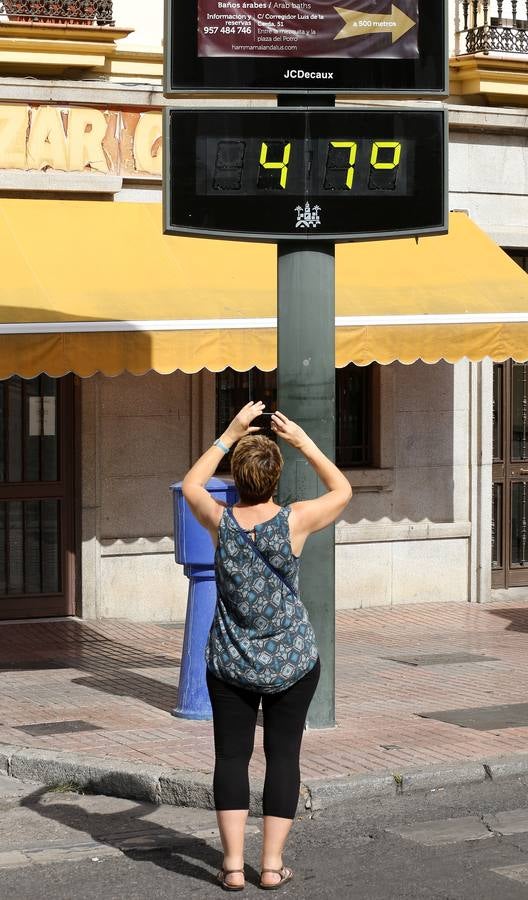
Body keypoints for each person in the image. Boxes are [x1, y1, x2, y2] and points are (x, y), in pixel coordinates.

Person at [182, 401, 352, 891]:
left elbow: (191, 484)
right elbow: (343, 489)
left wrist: (229, 433)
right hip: (293, 662)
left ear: (236, 476)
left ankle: (233, 865)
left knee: (231, 759)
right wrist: (302, 441)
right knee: (284, 758)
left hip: (231, 660)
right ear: (276, 477)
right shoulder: (295, 520)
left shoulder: (220, 521)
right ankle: (271, 865)